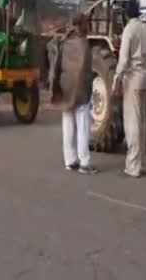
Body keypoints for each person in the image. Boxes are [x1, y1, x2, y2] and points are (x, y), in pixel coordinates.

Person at [113, 0, 146, 178]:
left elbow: (123, 60)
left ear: (126, 13)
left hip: (132, 80)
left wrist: (116, 78)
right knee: (142, 123)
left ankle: (133, 166)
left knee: (132, 124)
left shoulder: (129, 30)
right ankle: (142, 163)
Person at [54, 14, 96, 174]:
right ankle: (84, 162)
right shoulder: (84, 44)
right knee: (83, 125)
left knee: (68, 124)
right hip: (80, 92)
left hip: (66, 88)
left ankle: (70, 161)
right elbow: (86, 72)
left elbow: (57, 67)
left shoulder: (64, 42)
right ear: (82, 25)